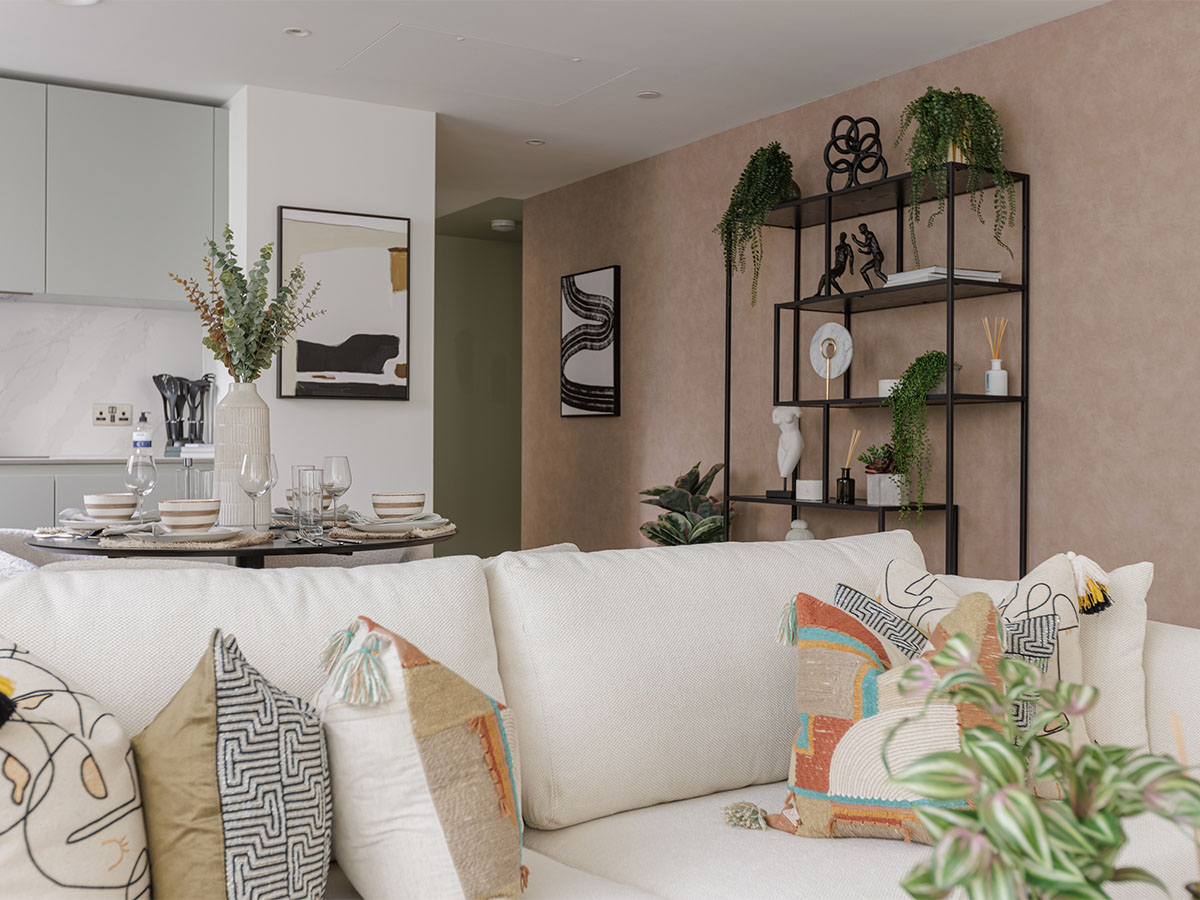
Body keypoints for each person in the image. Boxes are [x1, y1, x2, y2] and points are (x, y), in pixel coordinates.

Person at [851, 222, 888, 289]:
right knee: (862, 270)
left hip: (878, 256)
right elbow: (869, 252)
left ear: (864, 228)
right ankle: (871, 288)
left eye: (860, 229)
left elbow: (864, 245)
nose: (860, 231)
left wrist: (855, 240)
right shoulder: (866, 237)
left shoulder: (870, 235)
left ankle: (889, 283)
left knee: (877, 271)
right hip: (875, 257)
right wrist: (862, 252)